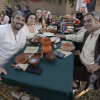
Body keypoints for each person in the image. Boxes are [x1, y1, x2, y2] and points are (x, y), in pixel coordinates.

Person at [54, 11, 100, 89]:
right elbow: (77, 37)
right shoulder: (88, 32)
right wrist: (62, 36)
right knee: (62, 61)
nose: (85, 24)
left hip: (90, 69)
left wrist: (98, 64)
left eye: (89, 20)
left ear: (98, 20)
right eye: (84, 21)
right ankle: (75, 80)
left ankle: (74, 86)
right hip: (81, 59)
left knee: (64, 71)